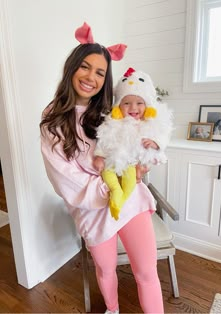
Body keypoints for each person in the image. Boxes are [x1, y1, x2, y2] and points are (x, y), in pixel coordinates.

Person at [40, 22, 164, 314]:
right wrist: (112, 185)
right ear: (72, 68)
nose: (91, 77)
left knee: (146, 273)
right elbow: (65, 178)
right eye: (85, 67)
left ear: (106, 80)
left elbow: (137, 147)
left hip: (130, 202)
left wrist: (141, 165)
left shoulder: (112, 112)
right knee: (106, 270)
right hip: (92, 210)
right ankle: (112, 309)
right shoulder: (52, 119)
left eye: (100, 72)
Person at [93, 67, 173, 220]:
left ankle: (120, 201)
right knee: (106, 174)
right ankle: (116, 191)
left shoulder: (149, 125)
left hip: (130, 164)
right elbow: (104, 140)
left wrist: (156, 143)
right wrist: (99, 156)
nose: (133, 108)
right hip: (111, 162)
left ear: (148, 106)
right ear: (118, 107)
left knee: (130, 181)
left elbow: (163, 136)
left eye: (139, 103)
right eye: (127, 103)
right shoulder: (114, 123)